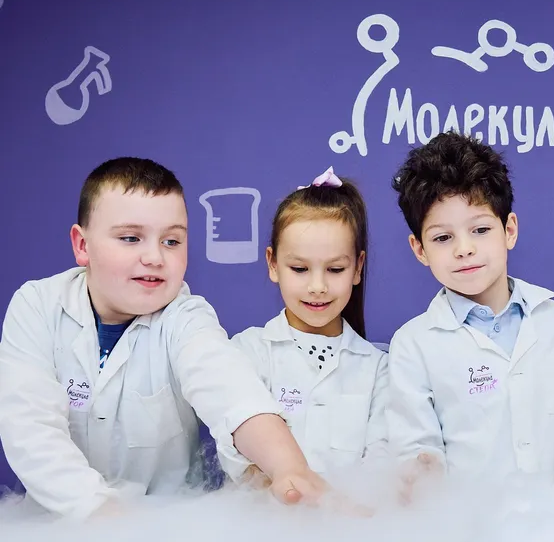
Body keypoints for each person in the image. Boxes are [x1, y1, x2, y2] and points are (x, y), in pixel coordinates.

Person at [0, 157, 326, 518]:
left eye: (172, 241)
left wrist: (289, 468)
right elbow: (29, 427)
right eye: (130, 238)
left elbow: (233, 394)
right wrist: (97, 510)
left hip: (163, 530)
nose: (155, 257)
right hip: (57, 526)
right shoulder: (37, 305)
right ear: (82, 245)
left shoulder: (187, 318)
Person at [386, 133, 554, 481]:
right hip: (466, 516)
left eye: (480, 229)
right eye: (442, 237)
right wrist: (418, 471)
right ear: (419, 249)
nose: (464, 249)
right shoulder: (413, 344)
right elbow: (417, 449)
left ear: (509, 230)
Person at [222, 167, 388, 481]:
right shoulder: (247, 352)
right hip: (263, 511)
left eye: (335, 269)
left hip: (350, 511)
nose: (317, 286)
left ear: (357, 268)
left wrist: (336, 505)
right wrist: (290, 493)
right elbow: (235, 452)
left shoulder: (379, 369)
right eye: (299, 269)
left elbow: (381, 464)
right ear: (273, 263)